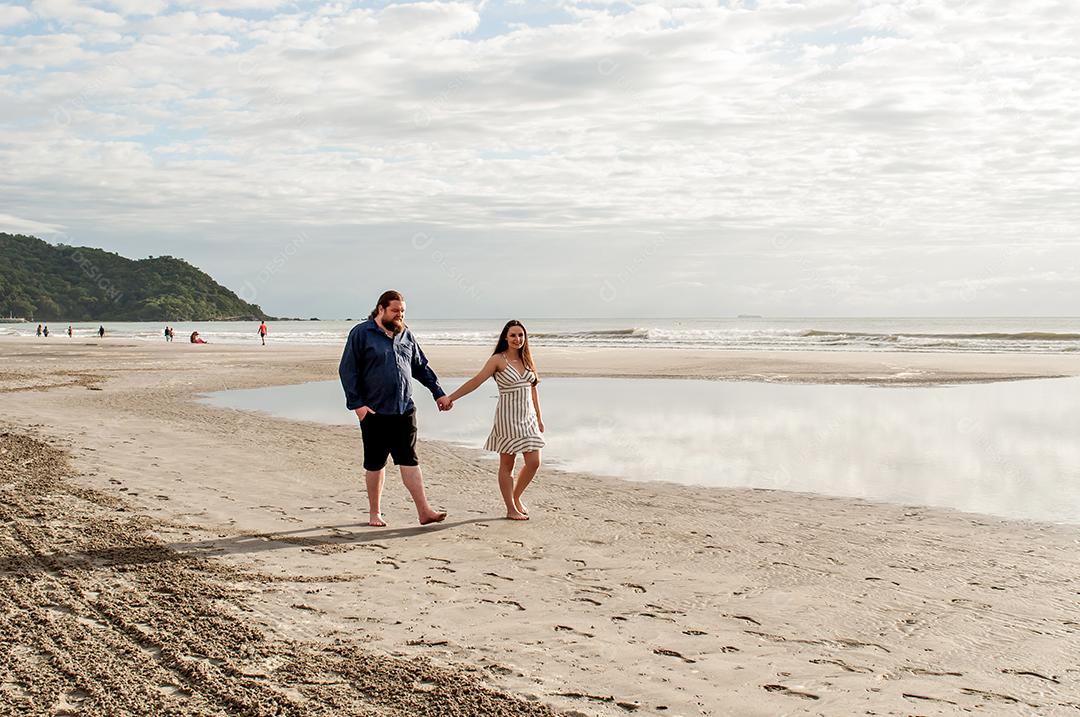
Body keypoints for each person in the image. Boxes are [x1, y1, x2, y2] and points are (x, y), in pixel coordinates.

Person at [338, 290, 450, 527]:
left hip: (404, 409)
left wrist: (438, 393)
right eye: (395, 310)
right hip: (374, 412)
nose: (400, 315)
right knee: (375, 463)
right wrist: (357, 405)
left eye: (403, 311)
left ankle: (424, 511)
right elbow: (348, 371)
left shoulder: (406, 335)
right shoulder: (361, 334)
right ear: (381, 309)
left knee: (409, 460)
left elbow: (421, 367)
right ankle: (374, 513)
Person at [445, 320, 544, 520]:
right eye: (513, 335)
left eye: (521, 335)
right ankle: (510, 508)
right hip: (507, 418)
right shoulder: (497, 360)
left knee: (534, 462)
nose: (517, 339)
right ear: (505, 338)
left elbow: (533, 390)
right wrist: (450, 398)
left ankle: (516, 496)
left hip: (529, 418)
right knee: (507, 465)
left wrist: (540, 418)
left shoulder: (527, 360)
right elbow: (476, 381)